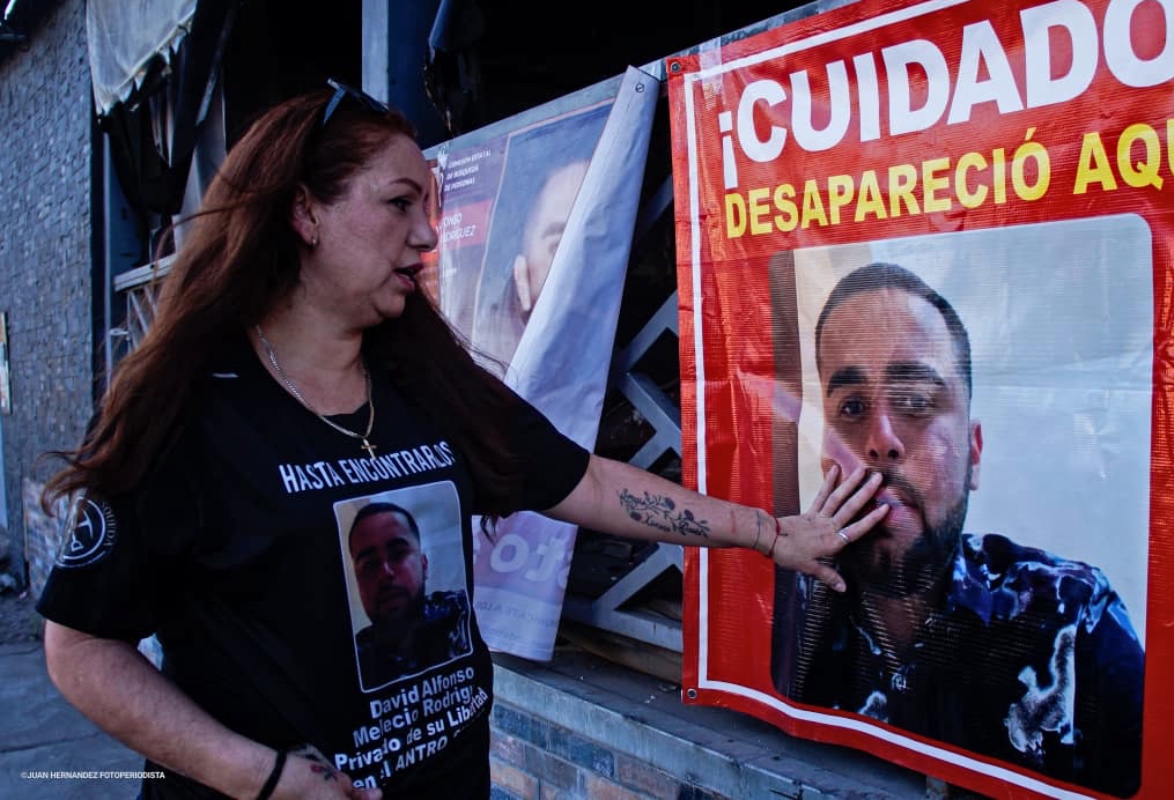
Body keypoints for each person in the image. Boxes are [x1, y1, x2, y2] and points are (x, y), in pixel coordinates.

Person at [35, 80, 884, 800]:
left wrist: (769, 533)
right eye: (399, 203)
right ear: (304, 211)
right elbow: (80, 647)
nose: (428, 235)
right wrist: (259, 777)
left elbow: (586, 483)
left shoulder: (426, 383)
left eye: (431, 208)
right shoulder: (191, 411)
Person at [770, 262, 1145, 797]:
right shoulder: (782, 606)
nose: (880, 441)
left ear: (974, 454)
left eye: (917, 403)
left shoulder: (1075, 618)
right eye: (851, 407)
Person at [471, 158, 588, 369]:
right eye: (559, 246)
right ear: (521, 274)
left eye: (601, 240)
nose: (583, 264)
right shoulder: (487, 362)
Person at [347, 502, 471, 689]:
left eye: (397, 554)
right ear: (358, 583)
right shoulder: (352, 659)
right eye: (370, 565)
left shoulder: (457, 612)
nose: (385, 573)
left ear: (424, 565)